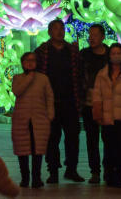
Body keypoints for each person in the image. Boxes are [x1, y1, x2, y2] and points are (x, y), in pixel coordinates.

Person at [34, 18, 85, 184]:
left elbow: (80, 75)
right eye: (55, 28)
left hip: (70, 100)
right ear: (49, 32)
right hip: (49, 103)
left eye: (62, 28)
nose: (59, 31)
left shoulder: (72, 51)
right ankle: (53, 171)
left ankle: (72, 169)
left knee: (73, 138)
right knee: (52, 138)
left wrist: (80, 99)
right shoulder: (42, 51)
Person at [91, 43, 121, 189]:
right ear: (109, 56)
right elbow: (97, 95)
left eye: (119, 53)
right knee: (108, 148)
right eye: (113, 53)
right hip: (107, 117)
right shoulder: (102, 74)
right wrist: (97, 112)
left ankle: (118, 175)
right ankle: (109, 174)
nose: (116, 56)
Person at [11, 51, 53, 189]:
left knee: (37, 150)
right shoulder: (18, 78)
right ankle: (25, 178)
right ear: (22, 63)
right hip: (21, 119)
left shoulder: (43, 79)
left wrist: (50, 114)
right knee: (22, 149)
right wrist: (29, 78)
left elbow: (49, 97)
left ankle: (36, 178)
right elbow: (17, 91)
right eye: (27, 60)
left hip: (39, 119)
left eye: (33, 60)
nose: (30, 63)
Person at [79, 23, 108, 184]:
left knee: (109, 138)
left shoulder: (110, 54)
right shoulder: (84, 55)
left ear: (103, 37)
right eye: (90, 35)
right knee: (92, 138)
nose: (92, 38)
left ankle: (109, 169)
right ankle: (95, 171)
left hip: (108, 102)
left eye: (95, 35)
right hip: (89, 102)